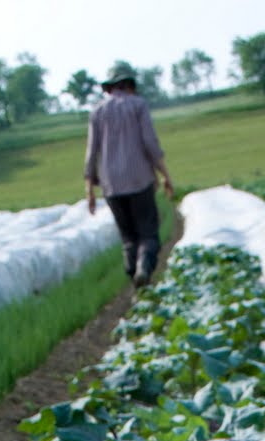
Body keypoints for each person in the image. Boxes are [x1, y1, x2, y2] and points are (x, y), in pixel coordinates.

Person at [84, 64, 175, 289]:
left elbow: (91, 151)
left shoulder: (97, 111)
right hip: (139, 179)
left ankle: (134, 274)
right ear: (129, 85)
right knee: (148, 233)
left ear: (110, 88)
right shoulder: (138, 105)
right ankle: (143, 267)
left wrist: (89, 189)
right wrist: (165, 174)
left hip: (111, 185)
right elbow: (150, 142)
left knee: (128, 237)